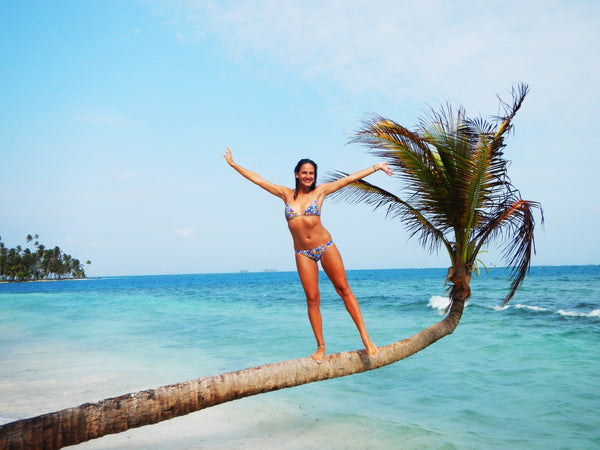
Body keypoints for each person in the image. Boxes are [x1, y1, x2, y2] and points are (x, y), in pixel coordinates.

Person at [223, 146, 393, 362]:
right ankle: (321, 346)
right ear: (297, 174)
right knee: (312, 299)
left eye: (311, 173)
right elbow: (259, 180)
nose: (308, 176)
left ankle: (366, 338)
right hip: (303, 253)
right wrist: (234, 164)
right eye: (304, 172)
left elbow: (348, 180)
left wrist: (376, 167)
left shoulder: (319, 192)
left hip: (325, 246)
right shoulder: (286, 195)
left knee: (344, 290)